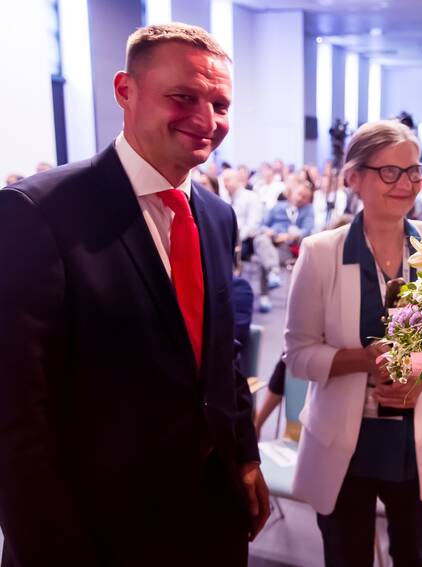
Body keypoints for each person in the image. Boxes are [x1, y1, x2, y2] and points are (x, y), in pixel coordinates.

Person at [0, 23, 268, 566]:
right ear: (126, 90)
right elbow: (15, 413)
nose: (207, 121)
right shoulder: (38, 212)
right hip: (95, 529)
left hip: (209, 517)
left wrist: (244, 456)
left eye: (220, 104)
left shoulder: (217, 216)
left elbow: (222, 356)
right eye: (183, 97)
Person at [284, 119, 422, 567]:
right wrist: (362, 359)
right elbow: (298, 356)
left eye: (413, 171)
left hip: (415, 438)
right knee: (346, 557)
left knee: (413, 557)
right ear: (354, 178)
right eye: (389, 172)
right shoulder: (321, 253)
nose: (405, 184)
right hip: (344, 441)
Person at [253, 180, 315, 312]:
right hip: (270, 241)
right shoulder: (278, 207)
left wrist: (289, 236)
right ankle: (273, 272)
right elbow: (262, 225)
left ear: (308, 200)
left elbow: (307, 230)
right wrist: (268, 231)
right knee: (261, 240)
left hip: (288, 248)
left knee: (266, 258)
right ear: (292, 193)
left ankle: (269, 282)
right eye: (299, 194)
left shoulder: (308, 210)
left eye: (305, 197)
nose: (300, 198)